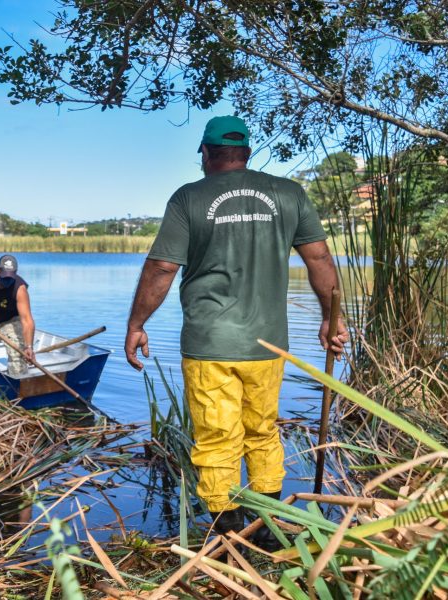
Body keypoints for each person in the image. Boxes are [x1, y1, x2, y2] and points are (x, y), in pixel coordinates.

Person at [124, 116, 348, 547]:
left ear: (205, 154)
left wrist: (137, 324)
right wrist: (330, 317)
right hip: (266, 344)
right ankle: (264, 527)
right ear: (247, 152)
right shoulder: (288, 193)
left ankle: (227, 532)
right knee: (262, 430)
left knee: (216, 437)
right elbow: (319, 258)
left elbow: (163, 266)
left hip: (210, 343)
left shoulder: (189, 197)